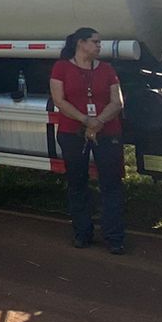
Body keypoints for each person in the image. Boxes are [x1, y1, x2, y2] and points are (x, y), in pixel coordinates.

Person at [49, 27, 127, 254]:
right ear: (80, 43)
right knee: (77, 183)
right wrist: (86, 120)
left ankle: (114, 237)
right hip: (73, 132)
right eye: (94, 42)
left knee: (111, 184)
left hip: (108, 131)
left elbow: (117, 100)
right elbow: (59, 100)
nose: (99, 46)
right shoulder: (61, 68)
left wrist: (99, 121)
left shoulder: (107, 69)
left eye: (99, 42)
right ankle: (82, 233)